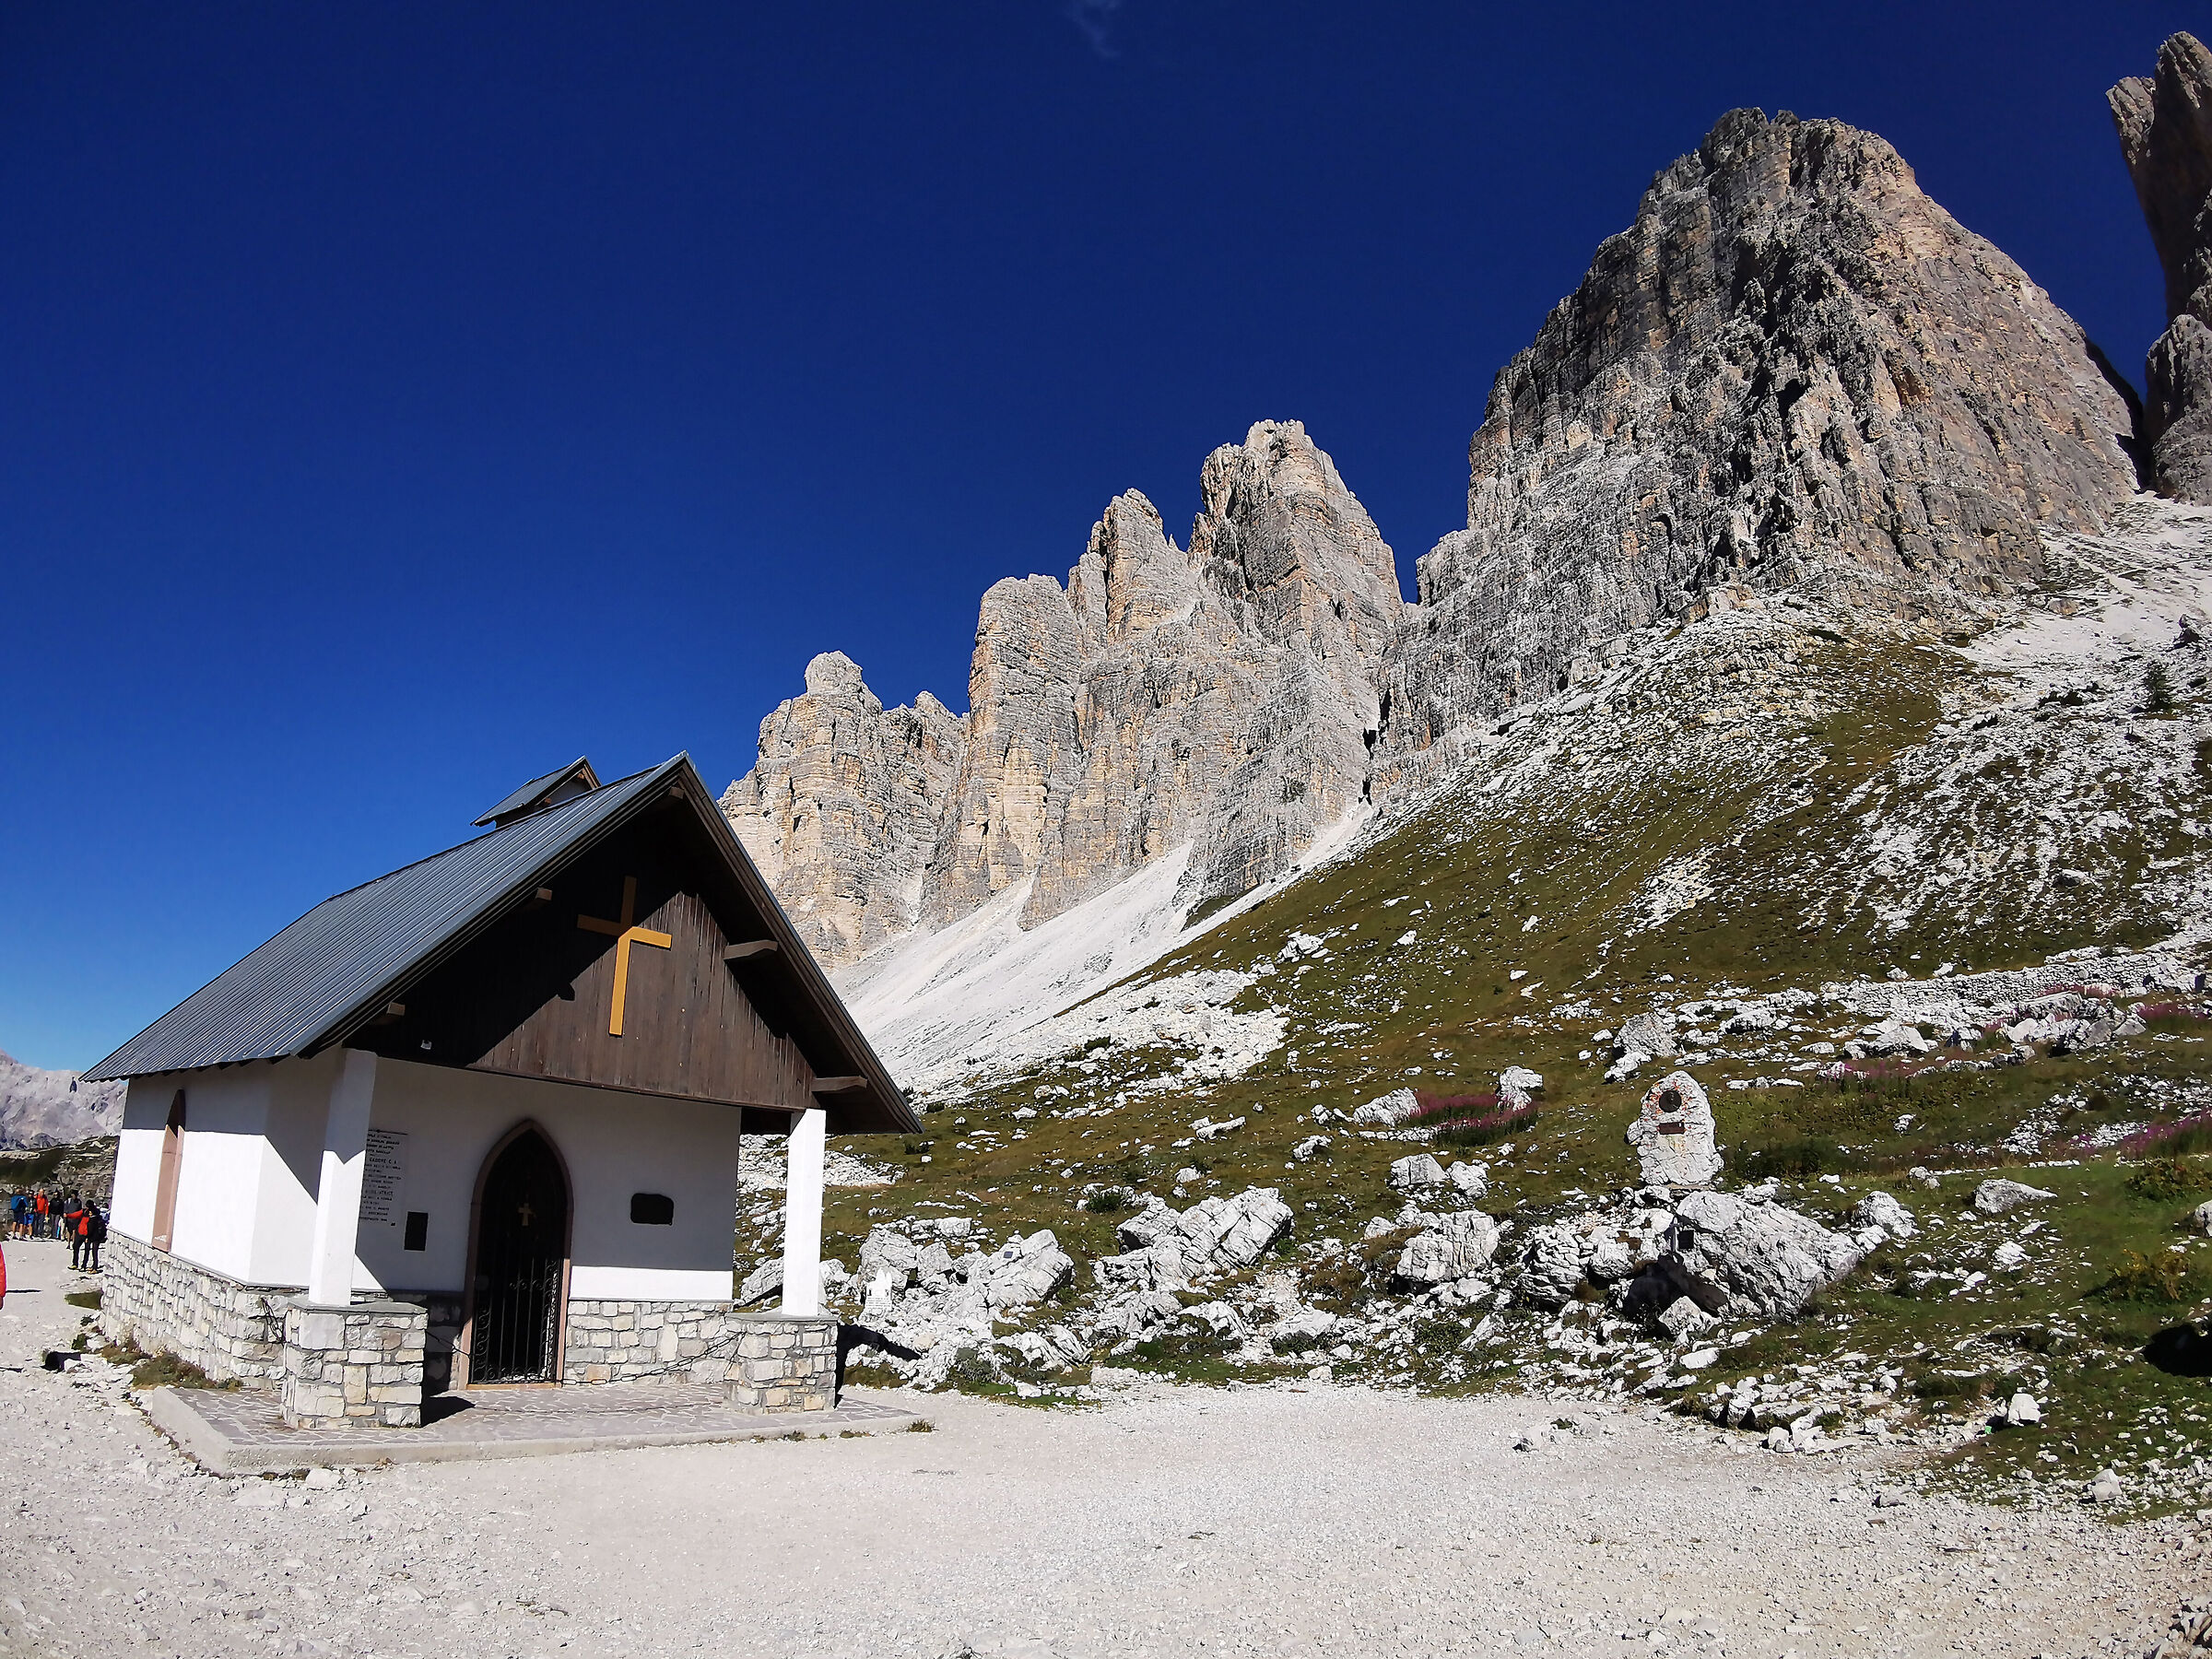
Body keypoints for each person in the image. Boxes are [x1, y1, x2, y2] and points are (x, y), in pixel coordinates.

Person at [84, 1206, 106, 1274]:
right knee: (95, 1252)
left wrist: (87, 1237)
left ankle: (95, 1268)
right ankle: (94, 1266)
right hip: (97, 1237)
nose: (89, 1214)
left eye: (90, 1213)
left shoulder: (92, 1220)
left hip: (94, 1238)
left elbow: (90, 1230)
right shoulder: (99, 1219)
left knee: (94, 1253)